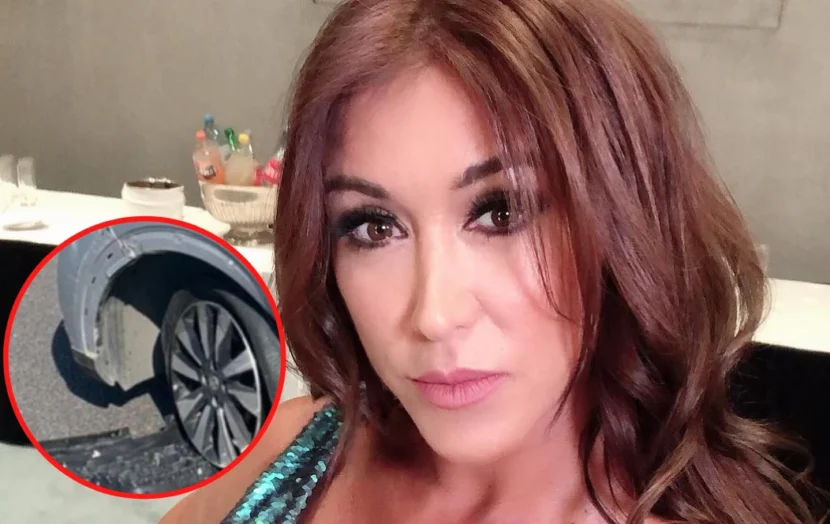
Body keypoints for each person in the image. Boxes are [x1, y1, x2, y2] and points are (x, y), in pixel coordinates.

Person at [161, 0, 825, 522]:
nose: (434, 315)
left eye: (501, 212)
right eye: (373, 226)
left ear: (625, 222)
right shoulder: (286, 452)